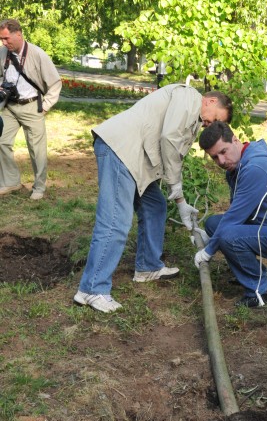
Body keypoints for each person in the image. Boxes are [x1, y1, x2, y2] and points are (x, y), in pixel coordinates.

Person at [74, 86, 232, 313]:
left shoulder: (194, 115)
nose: (210, 125)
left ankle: (148, 267)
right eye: (215, 118)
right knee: (115, 222)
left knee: (155, 205)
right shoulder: (189, 97)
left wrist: (180, 203)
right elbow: (169, 139)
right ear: (211, 101)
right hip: (122, 151)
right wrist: (176, 188)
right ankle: (92, 289)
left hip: (134, 158)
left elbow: (171, 148)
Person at [194, 122, 267, 307]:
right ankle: (256, 273)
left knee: (228, 235)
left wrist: (208, 251)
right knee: (213, 224)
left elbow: (233, 220)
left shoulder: (255, 168)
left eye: (223, 151)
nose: (221, 161)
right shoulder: (240, 162)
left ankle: (259, 291)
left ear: (235, 140)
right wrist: (210, 238)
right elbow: (235, 215)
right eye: (214, 157)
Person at [0, 18, 62, 200]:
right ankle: (11, 181)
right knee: (1, 142)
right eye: (1, 39)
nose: (4, 43)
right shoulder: (3, 52)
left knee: (37, 150)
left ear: (18, 34)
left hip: (32, 106)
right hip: (9, 107)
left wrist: (46, 106)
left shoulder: (37, 54)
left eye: (6, 39)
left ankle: (39, 187)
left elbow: (55, 82)